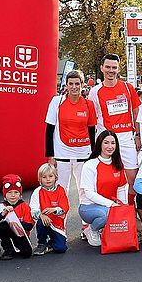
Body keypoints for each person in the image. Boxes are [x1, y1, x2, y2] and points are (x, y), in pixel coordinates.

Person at [45, 69, 96, 238]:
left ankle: (85, 226)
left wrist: (94, 154)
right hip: (62, 153)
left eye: (77, 84)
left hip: (84, 153)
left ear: (83, 86)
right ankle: (60, 226)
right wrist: (50, 156)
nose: (74, 87)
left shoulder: (88, 104)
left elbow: (91, 131)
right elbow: (49, 129)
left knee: (84, 191)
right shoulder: (57, 102)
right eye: (71, 84)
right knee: (61, 191)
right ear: (66, 86)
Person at [88, 53, 141, 205]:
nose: (111, 70)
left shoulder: (127, 87)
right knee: (106, 179)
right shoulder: (95, 92)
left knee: (133, 179)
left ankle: (130, 212)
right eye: (108, 67)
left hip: (126, 138)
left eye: (114, 68)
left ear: (118, 69)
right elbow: (93, 118)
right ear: (102, 68)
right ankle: (109, 212)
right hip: (106, 139)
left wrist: (137, 135)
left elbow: (136, 113)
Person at [79, 130, 128, 247]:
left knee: (118, 213)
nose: (110, 146)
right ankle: (92, 229)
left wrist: (123, 208)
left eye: (113, 143)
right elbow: (89, 194)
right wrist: (111, 204)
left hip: (109, 206)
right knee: (108, 214)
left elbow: (121, 189)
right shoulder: (89, 165)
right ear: (100, 144)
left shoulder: (118, 165)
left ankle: (104, 228)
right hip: (88, 207)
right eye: (106, 143)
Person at [0, 174, 34, 260]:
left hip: (21, 235)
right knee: (3, 225)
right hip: (8, 234)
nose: (13, 195)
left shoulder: (24, 206)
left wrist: (16, 223)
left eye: (16, 192)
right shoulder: (1, 206)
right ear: (5, 194)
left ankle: (18, 246)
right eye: (9, 192)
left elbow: (29, 226)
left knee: (27, 254)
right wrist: (2, 214)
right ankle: (8, 249)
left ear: (20, 194)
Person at [29, 164, 70, 255]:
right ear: (40, 179)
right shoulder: (37, 192)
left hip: (57, 224)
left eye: (50, 176)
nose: (48, 179)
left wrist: (54, 210)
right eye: (44, 177)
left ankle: (51, 242)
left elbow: (65, 207)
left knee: (61, 249)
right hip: (44, 222)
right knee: (41, 221)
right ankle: (42, 243)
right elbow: (32, 210)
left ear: (56, 177)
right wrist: (41, 214)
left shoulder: (60, 190)